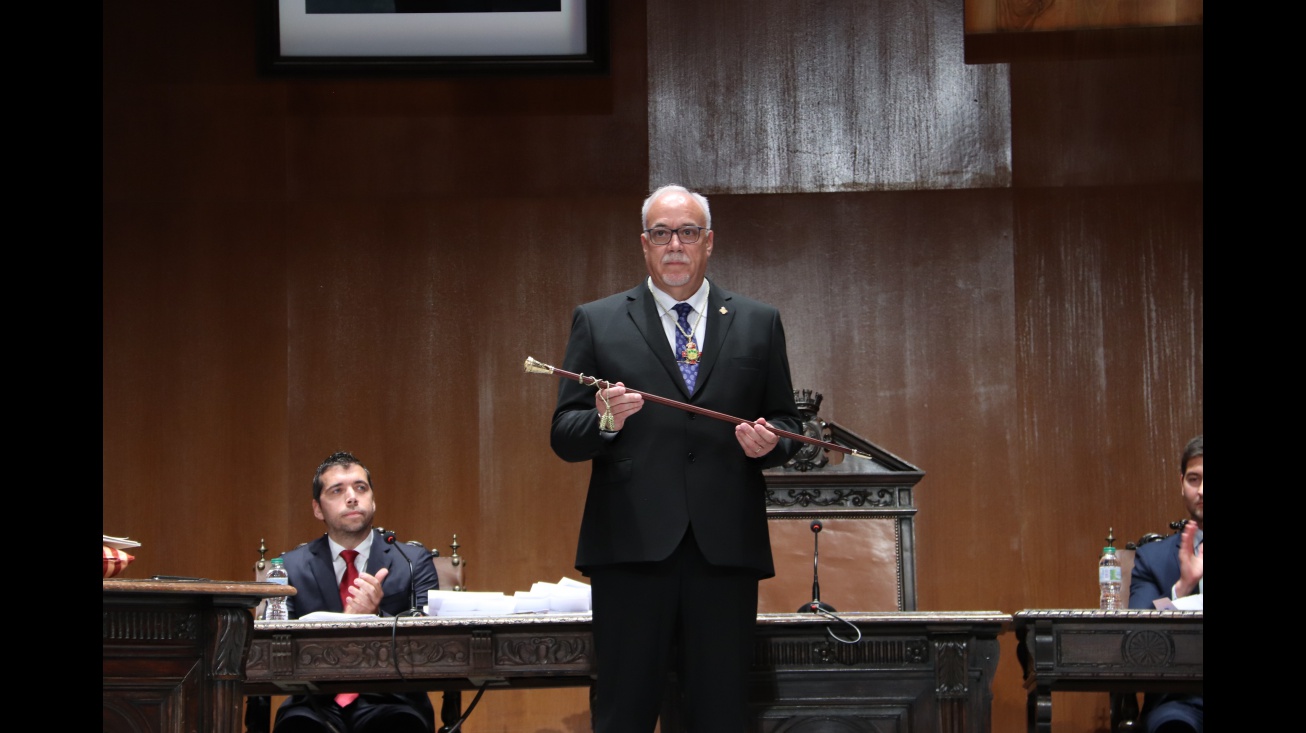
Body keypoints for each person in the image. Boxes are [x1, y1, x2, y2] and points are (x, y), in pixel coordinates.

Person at [550, 184, 803, 732]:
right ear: (644, 244)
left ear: (708, 242)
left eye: (687, 233)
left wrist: (772, 442)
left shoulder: (758, 322)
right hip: (630, 549)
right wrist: (607, 419)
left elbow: (787, 421)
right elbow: (565, 434)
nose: (674, 246)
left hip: (724, 550)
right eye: (661, 234)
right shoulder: (599, 321)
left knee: (720, 714)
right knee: (625, 712)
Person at [272, 451, 441, 733]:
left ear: (373, 500)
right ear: (317, 508)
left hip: (393, 700)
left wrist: (376, 615)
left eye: (360, 488)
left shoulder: (411, 560)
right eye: (337, 490)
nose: (352, 497)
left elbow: (432, 642)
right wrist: (345, 622)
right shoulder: (291, 566)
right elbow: (276, 645)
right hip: (315, 700)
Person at [1128, 434, 1203, 733]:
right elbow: (1135, 634)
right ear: (1181, 483)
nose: (1202, 490)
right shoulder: (1152, 559)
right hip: (1180, 701)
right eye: (1194, 479)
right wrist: (1181, 589)